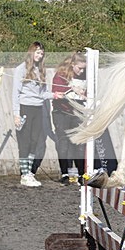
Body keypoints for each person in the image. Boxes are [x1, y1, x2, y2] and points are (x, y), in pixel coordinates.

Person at [13, 42, 62, 187]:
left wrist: (54, 95)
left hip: (38, 109)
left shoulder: (40, 71)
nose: (39, 56)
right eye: (38, 52)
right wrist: (16, 114)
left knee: (35, 141)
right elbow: (15, 93)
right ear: (32, 52)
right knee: (25, 142)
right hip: (25, 108)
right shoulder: (21, 69)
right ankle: (24, 174)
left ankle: (29, 173)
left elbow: (42, 94)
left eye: (42, 54)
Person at [52, 52, 87, 185]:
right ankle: (65, 173)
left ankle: (81, 173)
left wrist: (85, 95)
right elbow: (57, 90)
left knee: (79, 143)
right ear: (73, 65)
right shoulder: (61, 75)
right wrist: (71, 89)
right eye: (80, 68)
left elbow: (88, 91)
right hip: (61, 112)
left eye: (84, 68)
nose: (82, 71)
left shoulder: (84, 76)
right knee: (63, 142)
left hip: (77, 112)